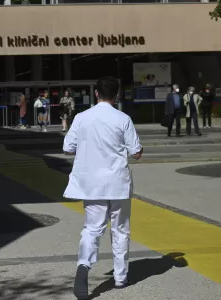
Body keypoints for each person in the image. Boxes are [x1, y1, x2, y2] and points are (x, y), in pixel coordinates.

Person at [62, 76, 143, 300]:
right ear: (117, 95)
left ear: (96, 94)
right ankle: (120, 277)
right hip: (117, 183)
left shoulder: (81, 117)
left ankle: (83, 265)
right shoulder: (123, 118)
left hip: (92, 185)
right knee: (120, 230)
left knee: (92, 228)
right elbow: (136, 152)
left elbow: (68, 148)